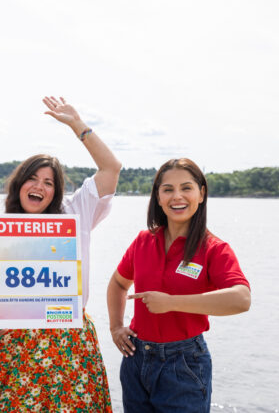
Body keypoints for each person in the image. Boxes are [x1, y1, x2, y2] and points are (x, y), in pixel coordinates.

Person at [0, 96, 121, 412]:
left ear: (56, 192)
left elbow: (111, 167)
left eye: (48, 183)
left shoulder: (74, 215)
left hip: (67, 345)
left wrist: (77, 125)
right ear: (19, 184)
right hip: (11, 348)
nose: (39, 187)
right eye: (32, 178)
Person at [107, 158, 251, 412]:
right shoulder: (143, 241)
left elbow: (241, 299)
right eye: (168, 189)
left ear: (201, 193)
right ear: (158, 197)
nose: (177, 197)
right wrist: (116, 326)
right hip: (135, 360)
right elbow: (118, 283)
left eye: (186, 188)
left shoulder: (213, 248)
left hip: (184, 364)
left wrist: (171, 303)